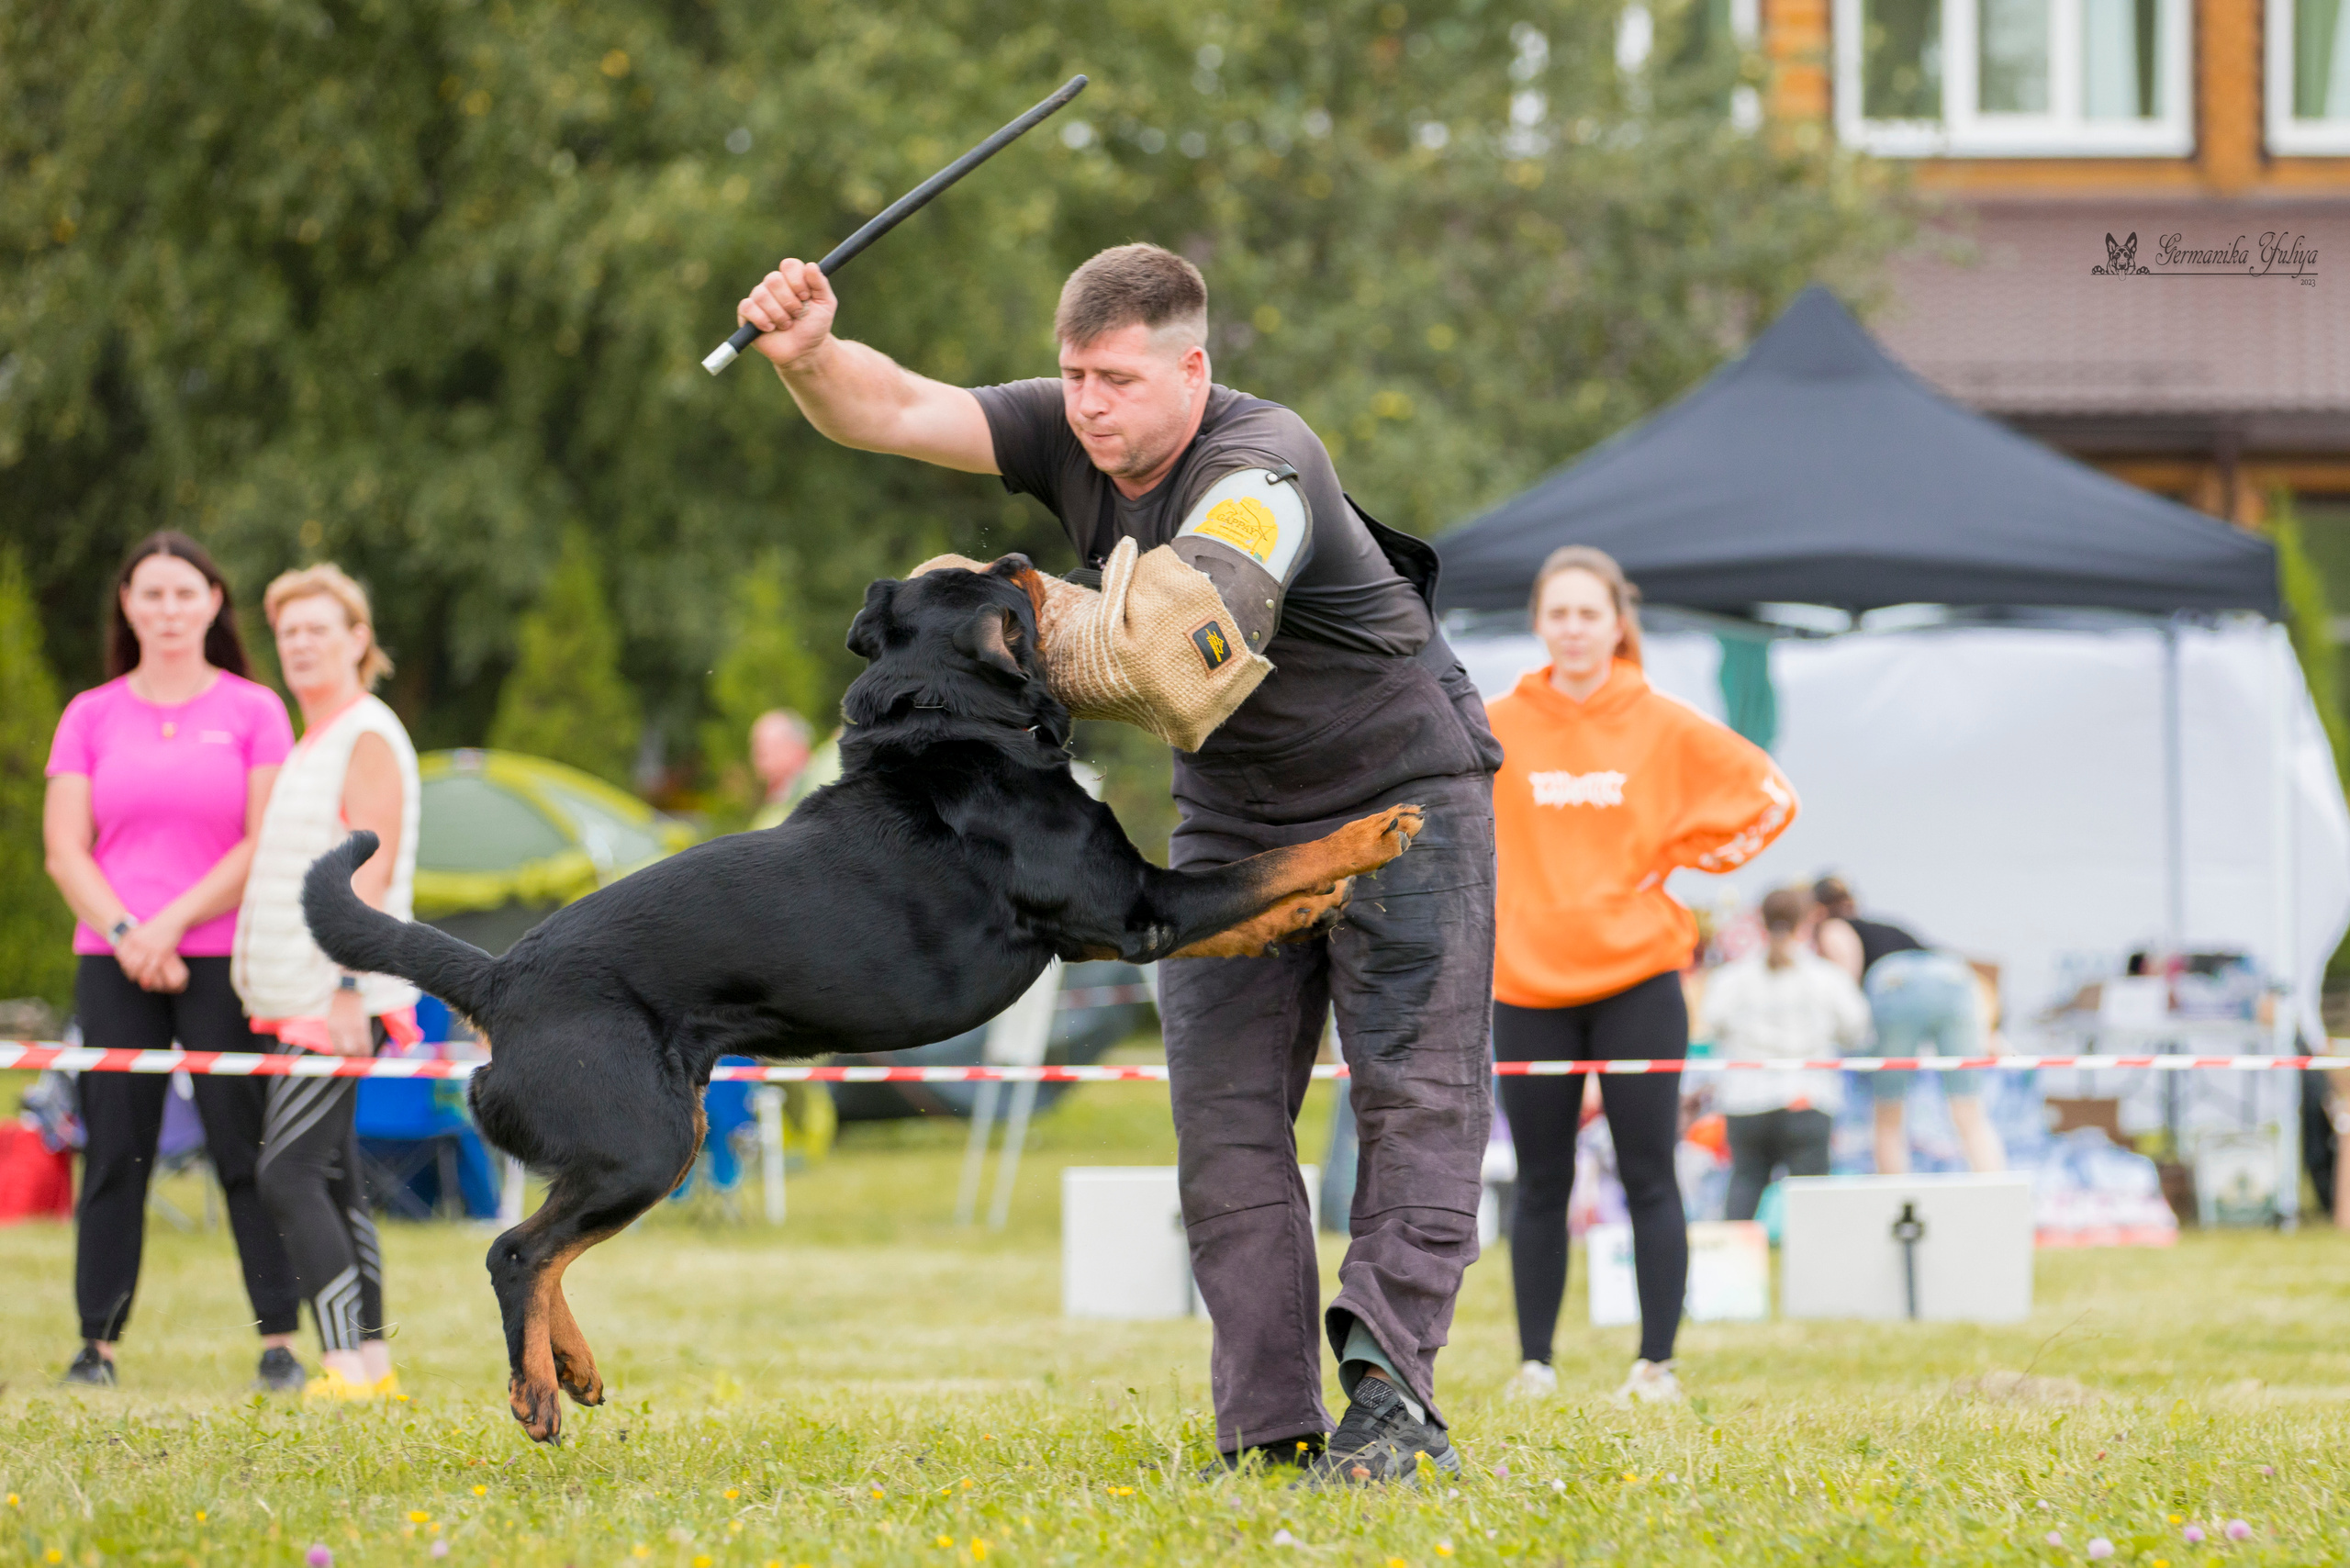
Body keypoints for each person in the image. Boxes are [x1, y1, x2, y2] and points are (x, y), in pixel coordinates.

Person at [735, 241, 1501, 1482]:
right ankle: (1267, 1431)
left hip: (1401, 794)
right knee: (1222, 1119)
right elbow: (889, 407)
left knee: (1418, 1098)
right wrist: (810, 354)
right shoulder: (1072, 434)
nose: (1087, 404)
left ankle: (1393, 1401)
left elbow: (1161, 660)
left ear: (1191, 369)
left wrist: (995, 619)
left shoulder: (1265, 468)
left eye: (1115, 378)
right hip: (1236, 815)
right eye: (1071, 376)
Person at [1484, 546, 1796, 1406]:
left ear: (1619, 623)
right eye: (1560, 614)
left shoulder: (1661, 719)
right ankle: (1534, 1367)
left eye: (1591, 614)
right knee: (1539, 1182)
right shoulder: (1497, 721)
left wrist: (1683, 861)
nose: (1575, 629)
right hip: (1526, 987)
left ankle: (1655, 1366)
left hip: (1640, 984)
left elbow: (1770, 798)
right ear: (1540, 624)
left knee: (1649, 1171)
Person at [41, 531, 304, 1389]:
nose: (167, 610)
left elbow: (263, 840)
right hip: (113, 959)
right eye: (150, 594)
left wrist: (171, 926)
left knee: (245, 1149)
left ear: (214, 602)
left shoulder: (254, 711)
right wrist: (128, 935)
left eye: (184, 594)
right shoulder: (90, 715)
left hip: (224, 957)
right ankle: (97, 1345)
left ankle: (280, 1344)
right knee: (116, 1150)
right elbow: (65, 851)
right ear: (126, 604)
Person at [231, 564, 422, 1401]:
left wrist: (349, 984)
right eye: (289, 631)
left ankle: (344, 1362)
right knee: (334, 1177)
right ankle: (375, 1367)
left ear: (357, 640)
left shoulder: (368, 733)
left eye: (319, 628)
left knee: (288, 1171)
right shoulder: (315, 737)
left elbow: (365, 874)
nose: (301, 644)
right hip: (298, 994)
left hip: (336, 995)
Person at [1811, 876, 2005, 1174]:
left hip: (1897, 983)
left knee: (1889, 1111)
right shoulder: (1886, 925)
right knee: (1968, 1107)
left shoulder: (1833, 927)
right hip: (1954, 977)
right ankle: (1995, 1185)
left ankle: (1895, 1195)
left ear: (1817, 910)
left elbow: (1845, 984)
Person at [1701, 888, 1868, 1221]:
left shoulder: (1732, 978)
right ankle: (1815, 1269)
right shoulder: (1827, 977)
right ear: (1807, 922)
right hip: (1808, 1098)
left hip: (1746, 1101)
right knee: (1812, 1206)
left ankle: (1736, 1270)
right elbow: (1856, 1032)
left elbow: (1710, 1024)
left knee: (1745, 1183)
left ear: (1760, 921)